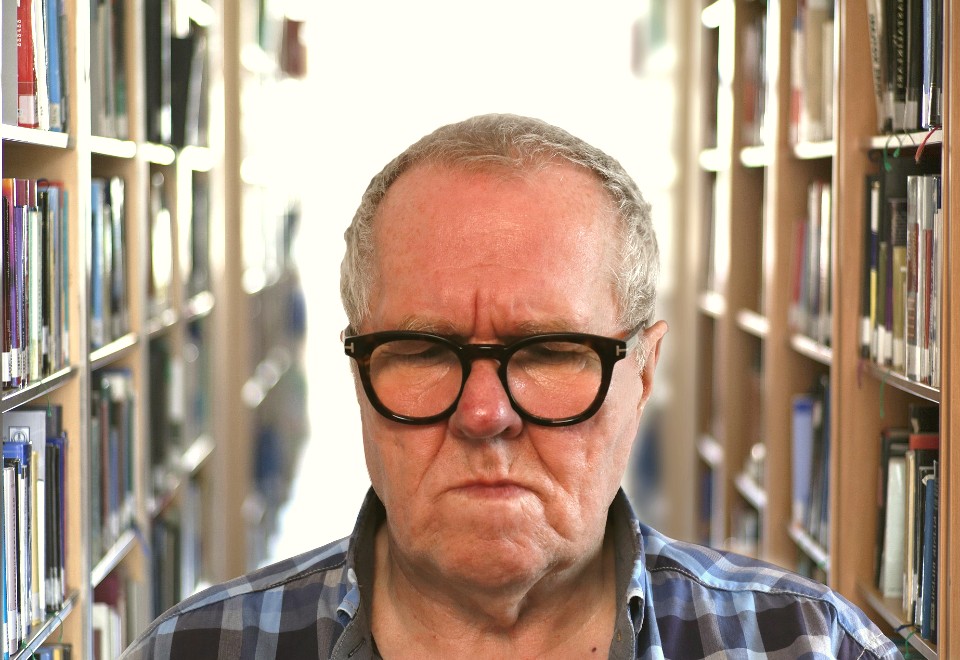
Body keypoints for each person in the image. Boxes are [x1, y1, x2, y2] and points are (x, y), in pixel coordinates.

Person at [123, 114, 900, 659]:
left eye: (552, 352)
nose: (485, 413)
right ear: (359, 374)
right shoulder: (192, 650)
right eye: (424, 351)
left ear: (644, 372)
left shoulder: (815, 646)